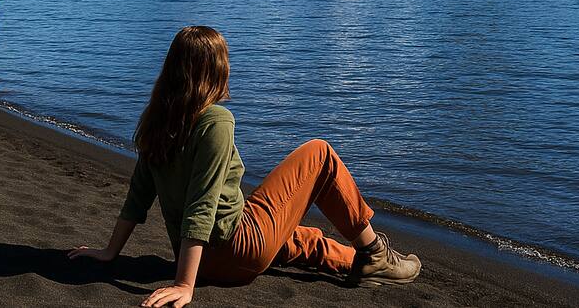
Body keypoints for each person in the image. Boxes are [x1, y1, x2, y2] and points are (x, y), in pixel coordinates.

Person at [70, 26, 420, 308]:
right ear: (217, 70)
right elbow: (202, 205)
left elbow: (138, 195)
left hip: (197, 257)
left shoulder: (157, 121)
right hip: (232, 250)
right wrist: (184, 285)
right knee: (320, 154)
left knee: (299, 238)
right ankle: (374, 250)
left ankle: (363, 266)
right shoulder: (215, 121)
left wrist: (109, 251)